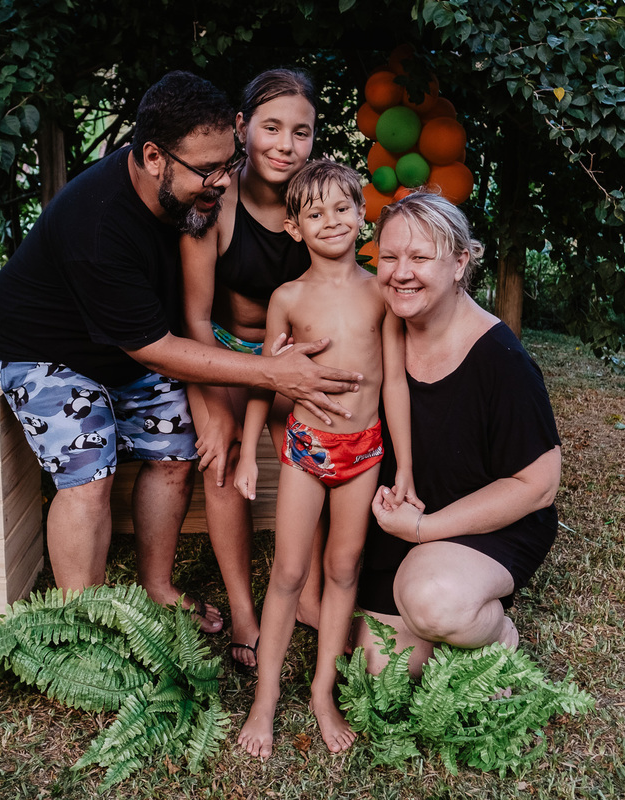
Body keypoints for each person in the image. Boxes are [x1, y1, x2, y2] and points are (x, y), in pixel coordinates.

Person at [0, 71, 362, 633]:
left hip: (127, 348)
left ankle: (157, 587)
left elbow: (178, 325)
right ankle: (80, 627)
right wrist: (270, 373)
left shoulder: (193, 197)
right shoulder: (99, 226)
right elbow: (158, 350)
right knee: (89, 468)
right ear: (155, 157)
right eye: (208, 171)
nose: (221, 181)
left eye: (227, 164)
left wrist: (212, 404)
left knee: (178, 447)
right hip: (47, 352)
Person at [233, 160, 413, 757]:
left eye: (342, 209)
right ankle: (264, 700)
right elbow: (266, 377)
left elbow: (392, 387)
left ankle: (321, 692)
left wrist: (404, 465)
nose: (331, 221)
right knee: (288, 573)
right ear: (294, 227)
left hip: (364, 451)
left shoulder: (380, 294)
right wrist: (249, 454)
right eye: (316, 213)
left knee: (343, 570)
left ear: (363, 216)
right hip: (305, 448)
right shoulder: (287, 298)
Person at [352, 191, 562, 677]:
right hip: (402, 525)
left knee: (434, 603)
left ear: (459, 261)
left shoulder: (501, 360)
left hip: (482, 527)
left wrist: (425, 530)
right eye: (389, 257)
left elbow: (539, 485)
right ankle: (430, 617)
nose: (401, 272)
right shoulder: (381, 330)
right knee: (378, 666)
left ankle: (497, 636)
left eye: (421, 257)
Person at [180, 69, 324, 668]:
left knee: (313, 444)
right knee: (219, 455)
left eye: (301, 132)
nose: (285, 146)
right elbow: (190, 318)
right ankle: (244, 605)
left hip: (289, 353)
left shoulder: (317, 203)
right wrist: (212, 405)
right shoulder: (214, 203)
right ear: (242, 128)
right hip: (219, 346)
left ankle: (310, 594)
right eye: (271, 127)